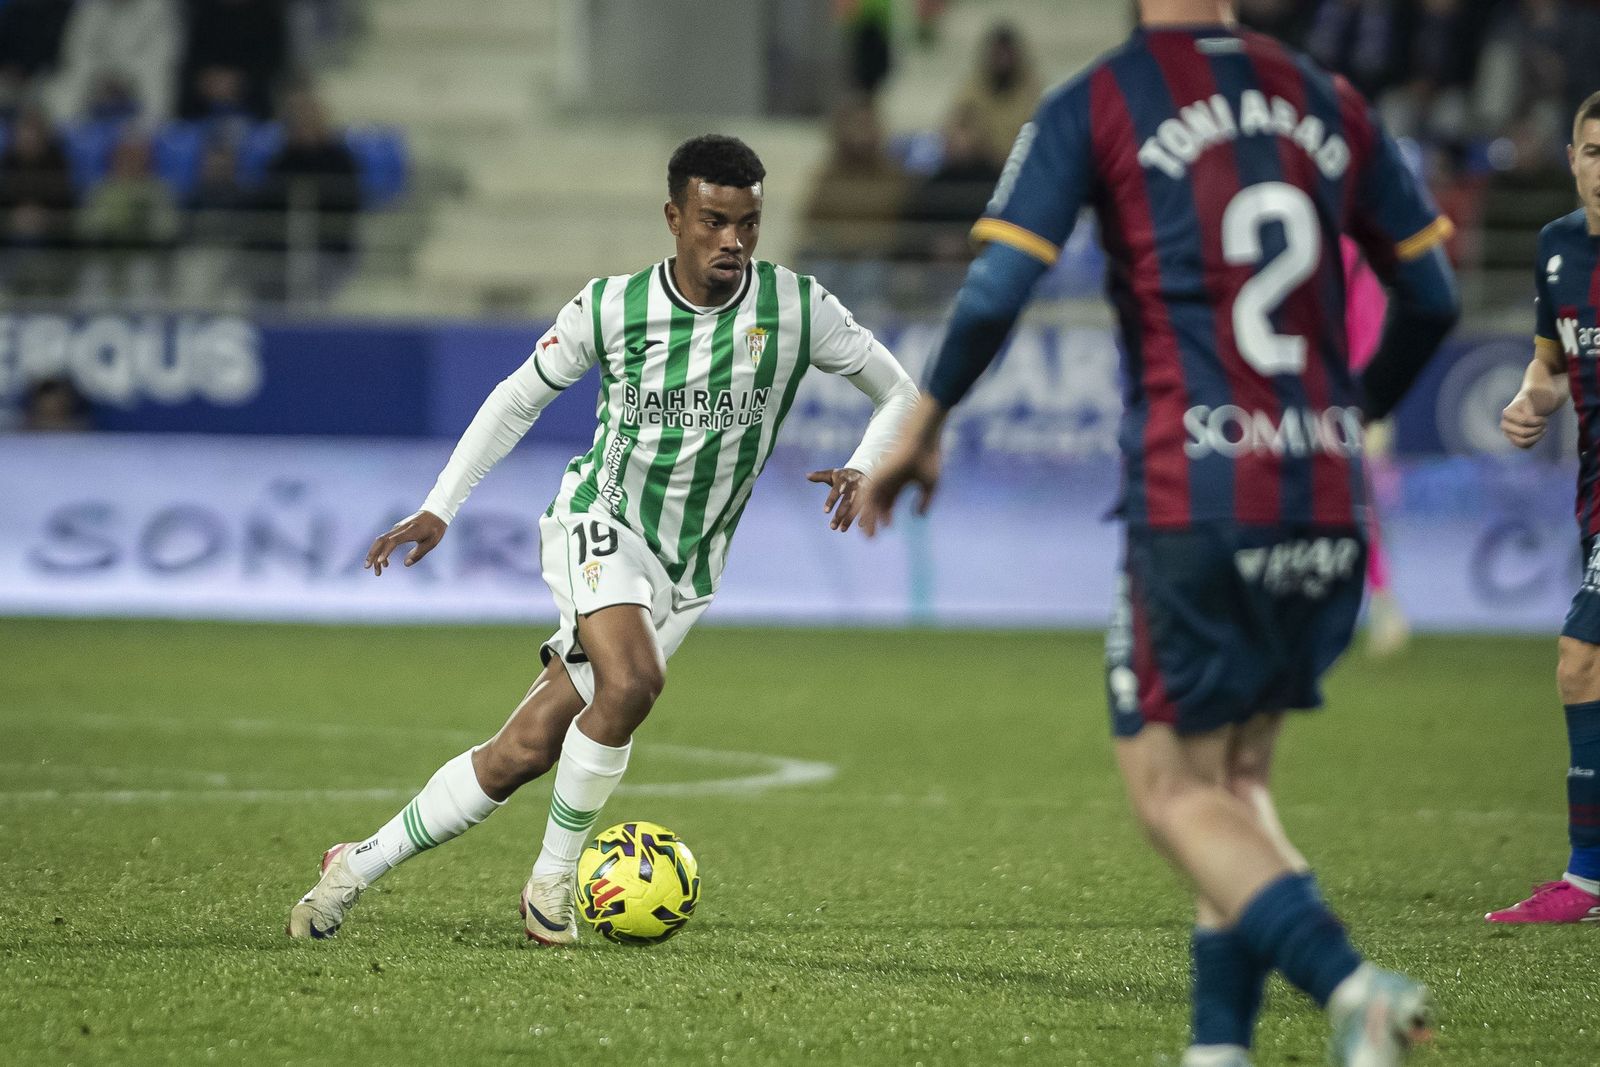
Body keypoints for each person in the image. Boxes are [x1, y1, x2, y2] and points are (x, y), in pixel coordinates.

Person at [862, 2, 1459, 1065]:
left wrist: (926, 418)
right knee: (1236, 785)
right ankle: (1215, 1045)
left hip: (1201, 491)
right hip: (1322, 492)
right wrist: (1345, 410)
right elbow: (1431, 292)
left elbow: (1001, 283)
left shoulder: (1100, 98)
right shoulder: (1330, 96)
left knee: (1171, 790)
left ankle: (1349, 985)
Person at [286, 135, 919, 945]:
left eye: (749, 224)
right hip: (601, 520)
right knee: (632, 682)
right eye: (715, 221)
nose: (733, 242)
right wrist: (442, 504)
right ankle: (552, 884)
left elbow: (900, 392)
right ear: (674, 218)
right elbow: (517, 398)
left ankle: (355, 864)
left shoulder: (795, 309)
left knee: (523, 749)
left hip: (687, 570)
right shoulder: (612, 306)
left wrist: (867, 465)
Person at [1493, 89, 1600, 925]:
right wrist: (1532, 400)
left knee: (1580, 656)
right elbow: (1551, 368)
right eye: (1593, 151)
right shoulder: (1557, 248)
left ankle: (1587, 876)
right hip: (1592, 492)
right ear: (1571, 158)